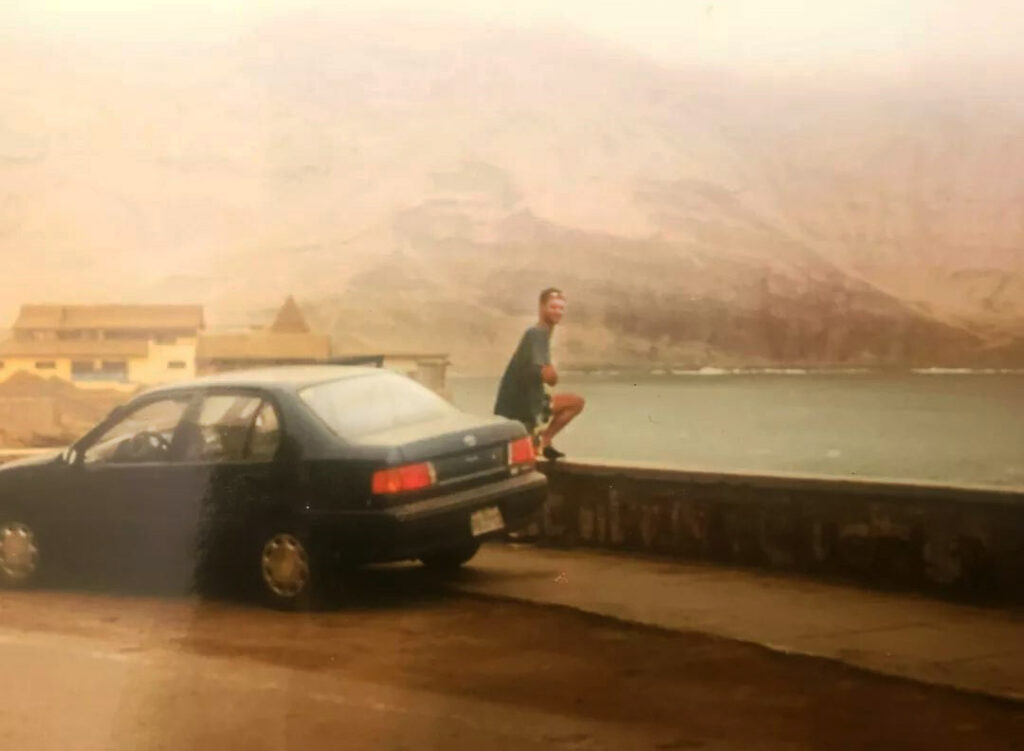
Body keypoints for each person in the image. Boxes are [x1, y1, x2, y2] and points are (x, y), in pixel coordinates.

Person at [494, 288, 585, 460]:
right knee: (576, 402)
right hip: (523, 408)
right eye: (553, 307)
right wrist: (552, 373)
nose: (558, 312)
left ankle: (542, 441)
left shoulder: (539, 334)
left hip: (524, 404)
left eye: (561, 308)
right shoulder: (537, 334)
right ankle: (543, 440)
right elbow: (548, 377)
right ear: (541, 307)